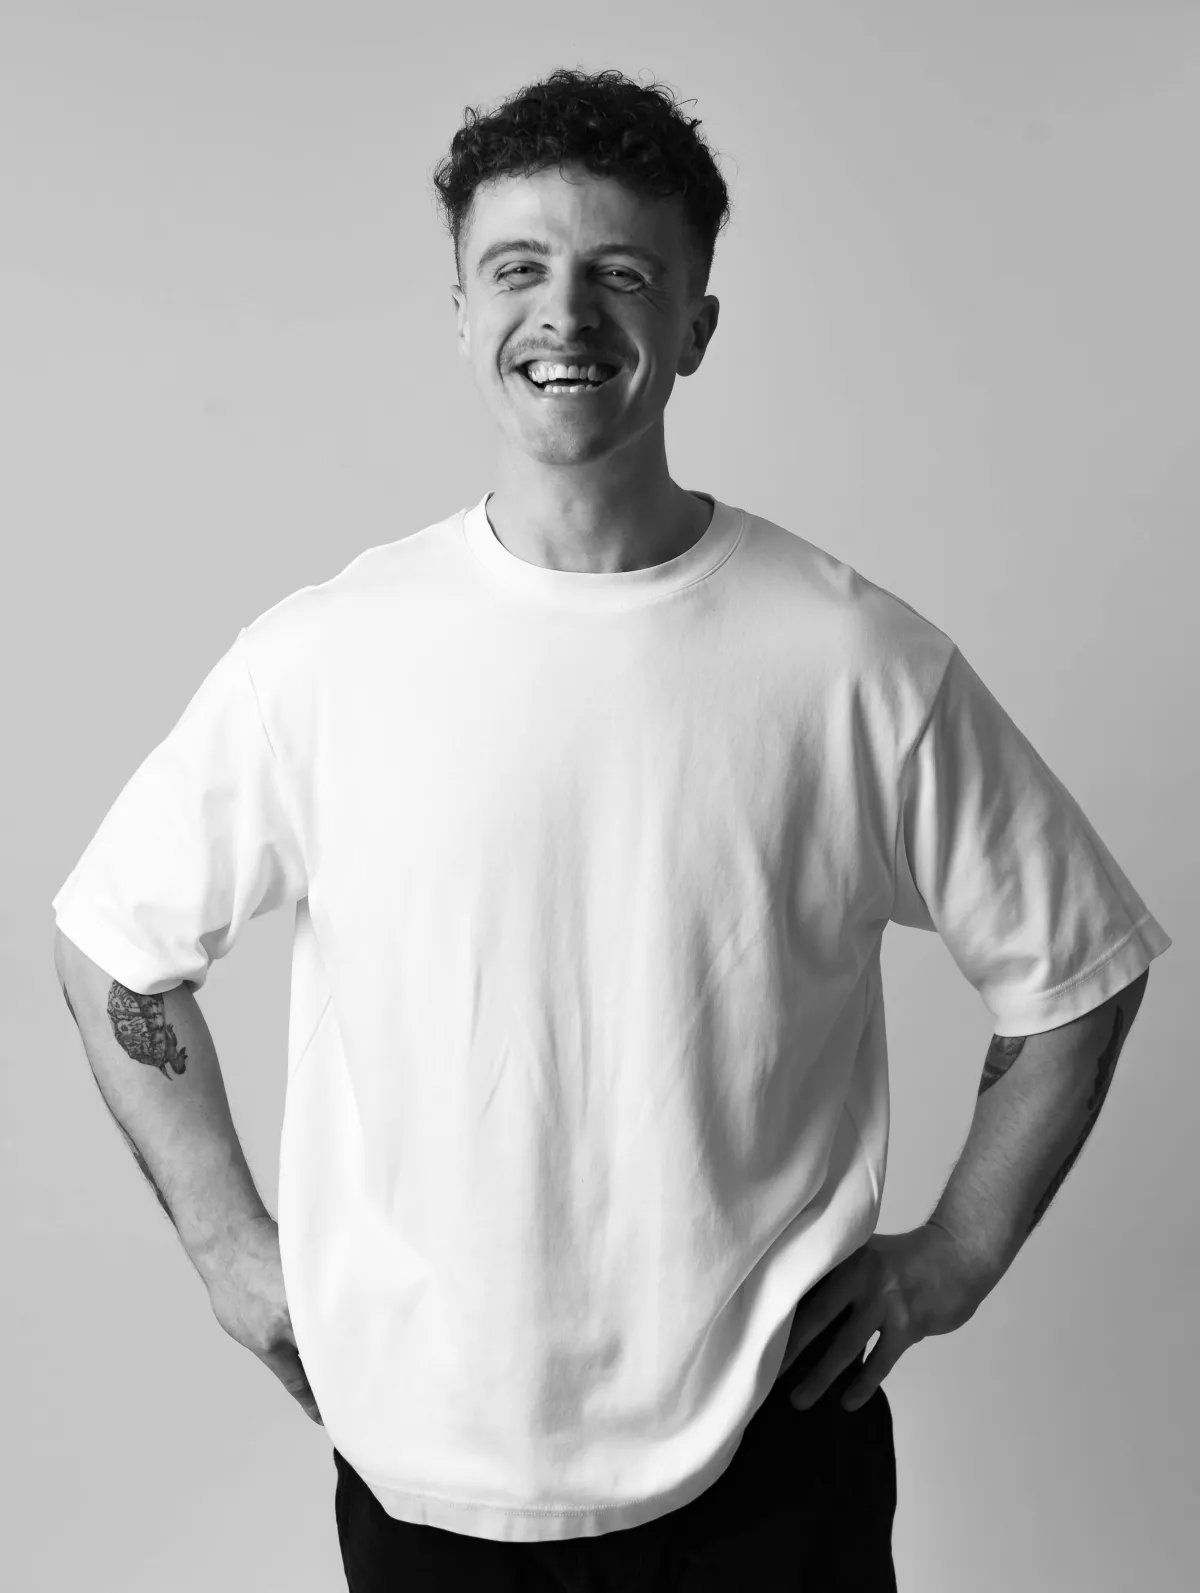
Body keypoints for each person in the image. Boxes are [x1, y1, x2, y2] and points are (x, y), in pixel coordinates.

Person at [52, 66, 1170, 1592]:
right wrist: (227, 1248)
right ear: (460, 311)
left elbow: (1080, 968)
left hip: (772, 1453)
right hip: (426, 1465)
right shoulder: (322, 659)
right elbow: (113, 950)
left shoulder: (850, 660)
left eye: (622, 274)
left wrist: (957, 1253)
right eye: (518, 269)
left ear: (696, 325)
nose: (564, 315)